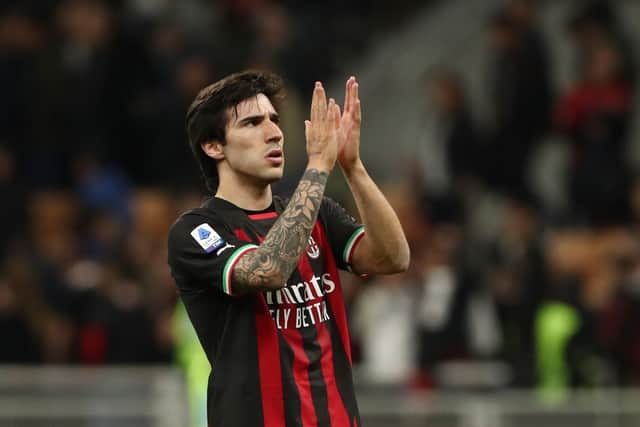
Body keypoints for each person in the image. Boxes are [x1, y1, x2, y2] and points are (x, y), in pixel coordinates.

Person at [167, 70, 410, 426]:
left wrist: (352, 167)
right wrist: (317, 167)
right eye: (252, 123)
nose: (274, 132)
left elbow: (394, 258)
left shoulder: (319, 213)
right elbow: (269, 270)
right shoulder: (198, 230)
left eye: (274, 120)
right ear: (213, 146)